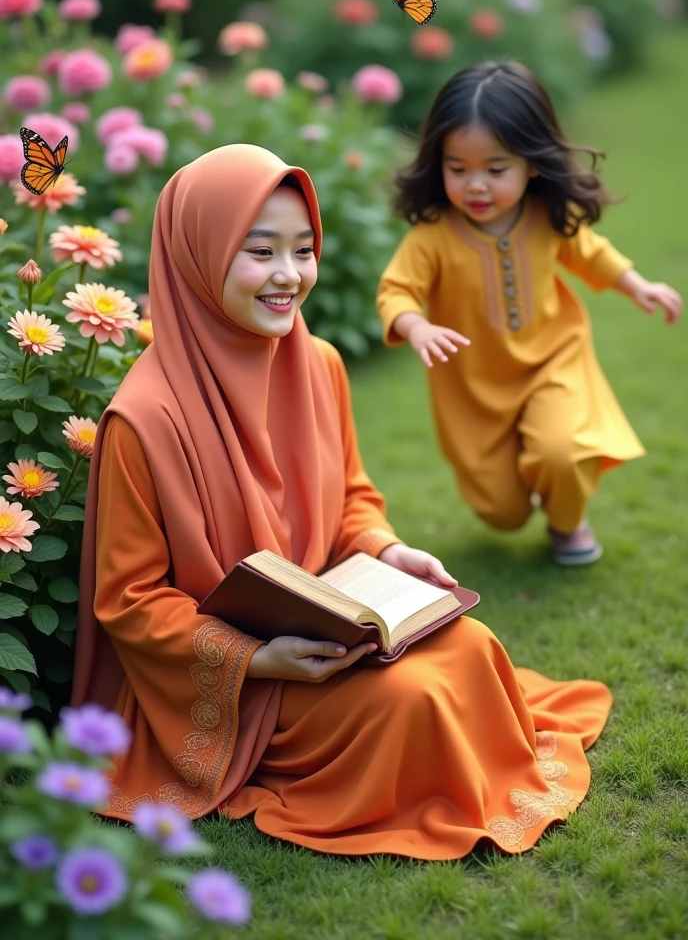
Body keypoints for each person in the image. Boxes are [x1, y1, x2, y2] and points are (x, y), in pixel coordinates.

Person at [72, 143, 612, 859]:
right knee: (412, 701)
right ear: (197, 255)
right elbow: (130, 600)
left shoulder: (316, 364)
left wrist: (389, 550)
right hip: (242, 682)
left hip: (332, 624)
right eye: (260, 251)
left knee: (475, 647)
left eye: (303, 249)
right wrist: (260, 659)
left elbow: (352, 497)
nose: (289, 276)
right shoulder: (144, 421)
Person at [377, 61, 683, 566]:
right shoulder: (432, 236)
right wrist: (417, 325)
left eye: (495, 170)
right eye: (458, 169)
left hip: (551, 363)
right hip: (474, 390)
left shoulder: (546, 218)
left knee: (563, 452)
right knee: (503, 512)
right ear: (439, 163)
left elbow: (589, 251)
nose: (476, 185)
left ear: (533, 163)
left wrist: (637, 285)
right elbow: (396, 292)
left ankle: (568, 523)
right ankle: (523, 491)